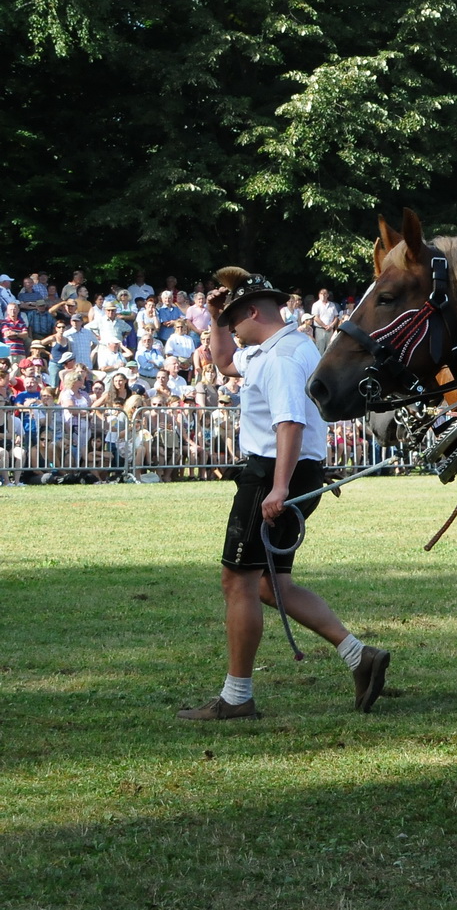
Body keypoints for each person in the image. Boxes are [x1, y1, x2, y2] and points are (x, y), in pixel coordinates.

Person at [176, 267, 390, 721]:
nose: (231, 327)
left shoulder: (279, 358)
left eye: (234, 317)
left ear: (254, 311)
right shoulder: (282, 347)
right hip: (292, 474)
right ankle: (358, 655)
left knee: (239, 581)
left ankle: (236, 697)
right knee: (272, 584)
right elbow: (225, 362)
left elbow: (288, 422)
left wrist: (276, 488)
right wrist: (215, 319)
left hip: (274, 474)